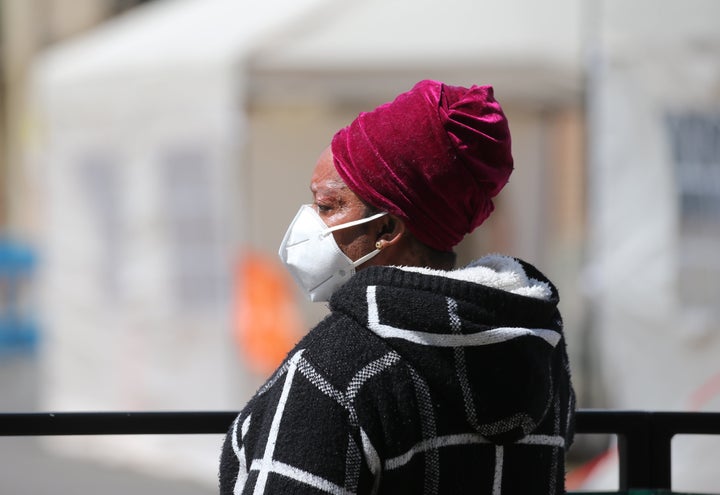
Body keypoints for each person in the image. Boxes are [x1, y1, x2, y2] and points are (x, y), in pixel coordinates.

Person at [219, 80, 575, 494]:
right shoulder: (538, 350)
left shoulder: (332, 371)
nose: (308, 224)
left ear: (387, 228)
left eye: (326, 206)